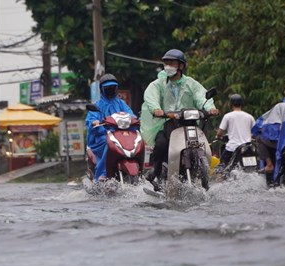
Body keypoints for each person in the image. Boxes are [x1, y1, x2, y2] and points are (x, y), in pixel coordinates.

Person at [141, 48, 219, 186]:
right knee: (161, 143)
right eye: (166, 63)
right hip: (169, 123)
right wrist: (156, 109)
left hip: (190, 122)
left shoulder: (191, 83)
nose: (168, 66)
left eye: (172, 63)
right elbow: (150, 96)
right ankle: (156, 168)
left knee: (202, 141)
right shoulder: (158, 84)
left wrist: (210, 108)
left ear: (181, 66)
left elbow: (201, 96)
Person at [85, 73, 136, 182]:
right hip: (102, 137)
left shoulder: (121, 103)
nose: (110, 90)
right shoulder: (97, 105)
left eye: (112, 87)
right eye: (108, 88)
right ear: (102, 89)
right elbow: (90, 120)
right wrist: (94, 122)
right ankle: (102, 174)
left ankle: (141, 172)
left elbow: (131, 114)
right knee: (109, 144)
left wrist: (135, 119)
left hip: (121, 135)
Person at [215, 94, 255, 165]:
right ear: (241, 104)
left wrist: (218, 137)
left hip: (233, 147)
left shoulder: (228, 116)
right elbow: (255, 132)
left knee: (220, 168)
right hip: (248, 148)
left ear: (231, 104)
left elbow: (219, 133)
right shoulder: (250, 117)